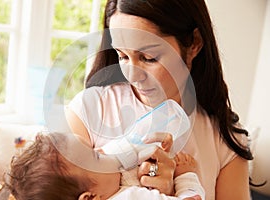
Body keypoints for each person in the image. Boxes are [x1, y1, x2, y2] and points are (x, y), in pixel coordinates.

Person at [64, 0, 253, 199]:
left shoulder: (224, 142)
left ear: (194, 44)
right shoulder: (88, 110)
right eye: (122, 56)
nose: (133, 75)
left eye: (148, 57)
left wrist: (170, 191)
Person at [3, 133, 204, 200]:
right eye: (96, 156)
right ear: (90, 198)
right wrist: (186, 176)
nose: (103, 149)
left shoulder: (105, 183)